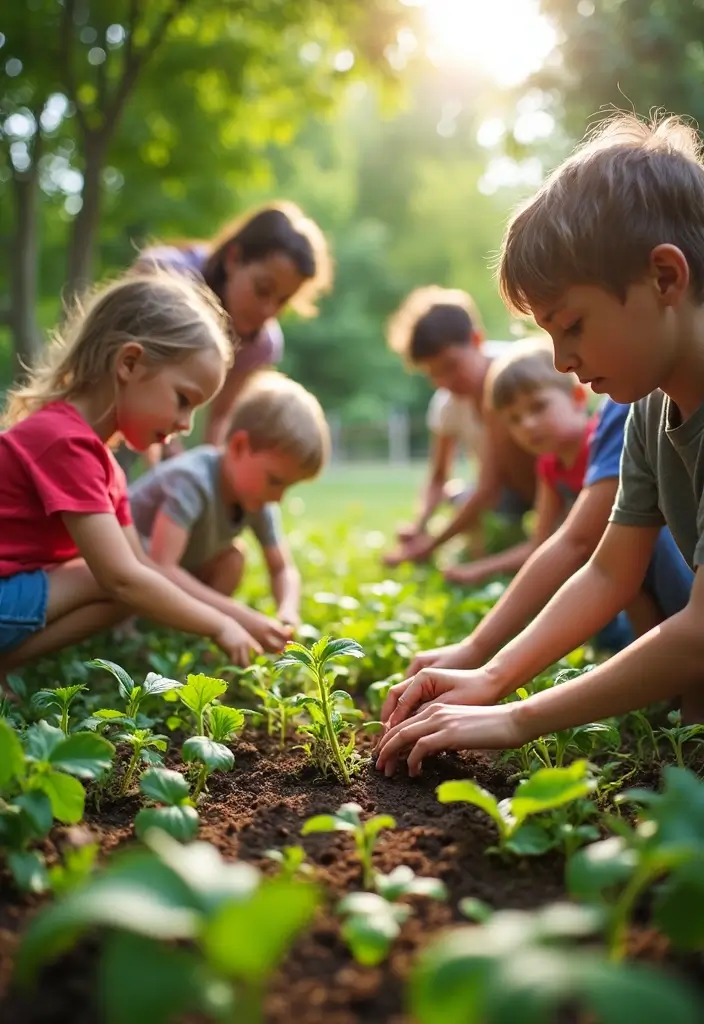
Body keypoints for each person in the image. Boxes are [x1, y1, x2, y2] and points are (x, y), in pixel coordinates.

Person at [374, 111, 704, 776]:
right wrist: (491, 674)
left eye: (572, 325)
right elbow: (608, 568)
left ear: (666, 278)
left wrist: (517, 716)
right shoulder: (644, 410)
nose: (560, 361)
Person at [0, 269, 269, 679]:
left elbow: (142, 568)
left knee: (128, 581)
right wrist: (218, 624)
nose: (185, 424)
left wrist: (233, 615)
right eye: (183, 400)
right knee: (115, 579)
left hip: (15, 593)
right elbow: (122, 578)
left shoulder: (103, 463)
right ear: (129, 362)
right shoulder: (63, 441)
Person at [129, 370, 329, 647]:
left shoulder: (257, 498)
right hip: (129, 580)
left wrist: (288, 613)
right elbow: (162, 567)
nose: (279, 497)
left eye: (288, 487)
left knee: (233, 558)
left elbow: (282, 568)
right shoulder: (191, 480)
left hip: (173, 580)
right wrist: (241, 617)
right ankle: (143, 634)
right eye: (275, 480)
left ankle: (190, 636)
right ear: (238, 446)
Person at [133, 200, 333, 458]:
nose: (269, 310)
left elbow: (220, 419)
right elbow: (138, 380)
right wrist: (166, 460)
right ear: (234, 258)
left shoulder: (262, 344)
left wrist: (204, 477)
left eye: (283, 301)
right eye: (262, 290)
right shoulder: (164, 276)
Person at [382, 286, 536, 569]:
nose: (445, 381)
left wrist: (431, 545)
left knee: (475, 497)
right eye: (433, 373)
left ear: (476, 340)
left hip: (540, 482)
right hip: (505, 497)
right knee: (457, 495)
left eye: (451, 366)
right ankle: (491, 548)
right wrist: (420, 526)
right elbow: (438, 477)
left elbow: (489, 486)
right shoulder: (447, 405)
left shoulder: (514, 374)